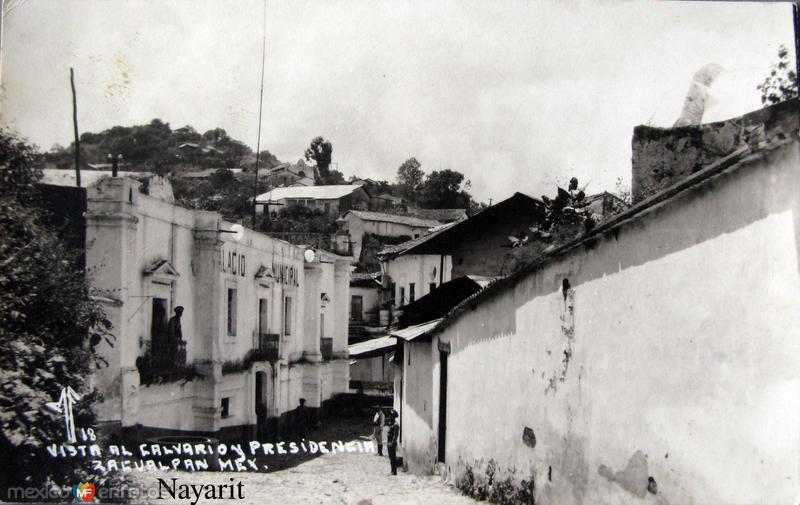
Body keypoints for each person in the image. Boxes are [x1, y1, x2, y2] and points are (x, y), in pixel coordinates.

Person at [386, 409, 400, 475]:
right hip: (389, 442)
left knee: (393, 457)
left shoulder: (395, 425)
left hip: (392, 443)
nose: (389, 416)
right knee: (391, 457)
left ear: (393, 416)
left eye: (390, 415)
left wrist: (392, 442)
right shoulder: (391, 423)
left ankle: (394, 471)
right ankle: (392, 470)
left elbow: (395, 435)